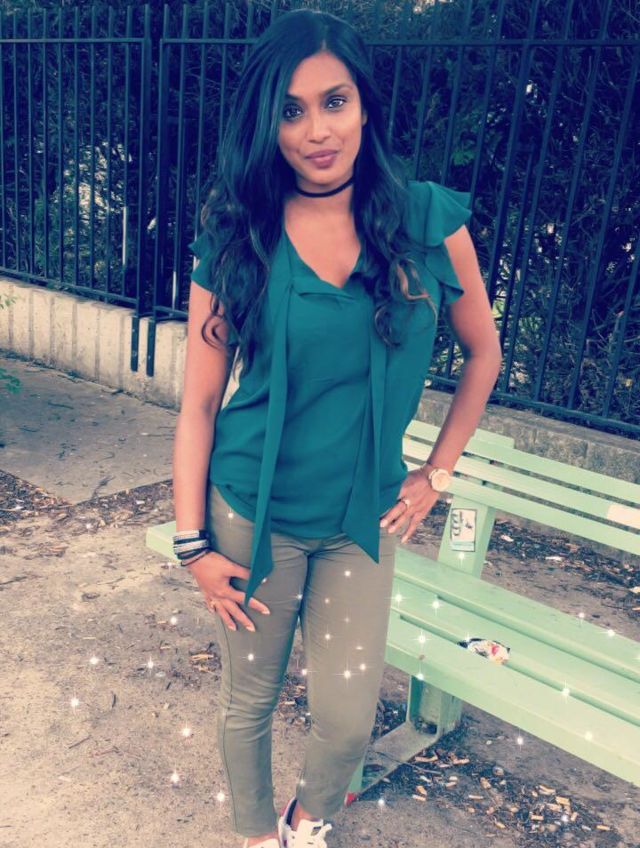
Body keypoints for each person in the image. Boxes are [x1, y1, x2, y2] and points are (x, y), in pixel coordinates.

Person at [172, 9, 502, 848]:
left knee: (348, 721)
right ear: (267, 123)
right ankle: (258, 837)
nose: (316, 130)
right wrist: (193, 546)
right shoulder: (237, 232)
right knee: (249, 701)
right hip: (251, 512)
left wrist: (436, 474)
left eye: (334, 101)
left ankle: (306, 821)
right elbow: (200, 403)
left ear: (364, 105)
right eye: (291, 110)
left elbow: (485, 353)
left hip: (363, 518)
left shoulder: (426, 220)